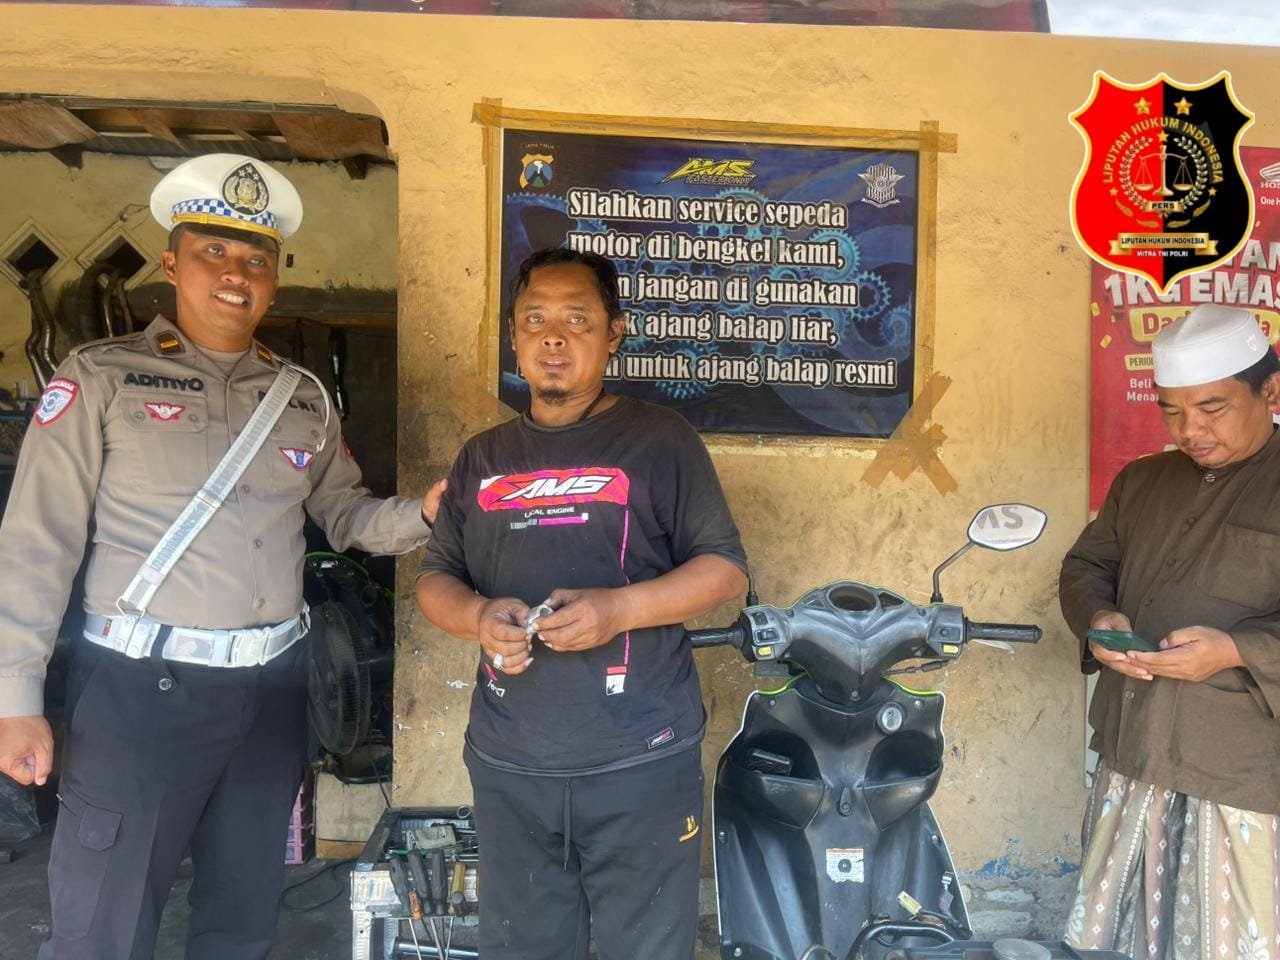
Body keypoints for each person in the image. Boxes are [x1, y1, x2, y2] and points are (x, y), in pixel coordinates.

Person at [0, 153, 444, 960]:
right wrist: (14, 697)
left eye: (256, 259)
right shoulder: (100, 377)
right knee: (103, 926)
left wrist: (425, 515)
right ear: (172, 264)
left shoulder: (302, 396)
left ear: (273, 279)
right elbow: (36, 542)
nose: (237, 274)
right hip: (139, 691)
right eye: (214, 251)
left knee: (242, 916)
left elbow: (344, 515)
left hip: (269, 693)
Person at [416, 247, 748, 960]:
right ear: (513, 336)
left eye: (577, 319)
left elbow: (725, 573)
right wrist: (479, 618)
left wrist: (618, 611)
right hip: (511, 762)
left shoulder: (660, 441)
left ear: (614, 332)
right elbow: (436, 578)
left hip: (641, 758)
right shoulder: (483, 457)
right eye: (535, 320)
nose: (554, 338)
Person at [1059, 303, 1280, 960]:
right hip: (1137, 751)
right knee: (1124, 935)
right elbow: (1087, 565)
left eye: (1212, 408)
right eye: (1172, 411)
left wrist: (1235, 650)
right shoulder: (1143, 480)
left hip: (1243, 772)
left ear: (1271, 391)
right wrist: (1099, 619)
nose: (1191, 429)